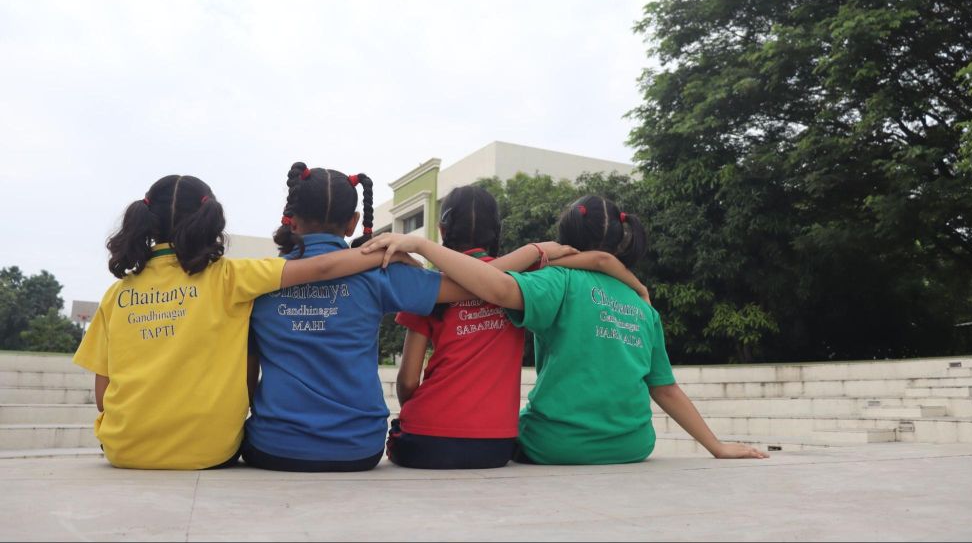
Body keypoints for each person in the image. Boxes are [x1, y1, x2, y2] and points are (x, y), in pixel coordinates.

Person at [243, 166, 648, 472]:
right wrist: (536, 252)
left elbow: (248, 375)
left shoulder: (255, 281)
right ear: (352, 223)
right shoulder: (382, 273)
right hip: (358, 449)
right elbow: (481, 286)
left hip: (274, 448)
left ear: (290, 217)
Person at [363, 195, 770, 465]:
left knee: (496, 430)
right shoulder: (643, 307)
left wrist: (424, 248)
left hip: (556, 445)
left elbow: (499, 286)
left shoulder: (557, 282)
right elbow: (664, 388)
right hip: (633, 446)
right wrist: (715, 446)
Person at [73, 174, 411, 470]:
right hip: (210, 451)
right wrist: (386, 250)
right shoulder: (233, 277)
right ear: (209, 220)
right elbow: (322, 268)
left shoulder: (116, 295)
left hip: (124, 449)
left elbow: (103, 398)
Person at [387, 185, 647, 469]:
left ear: (442, 229)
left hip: (427, 443)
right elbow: (600, 260)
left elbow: (408, 381)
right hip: (495, 447)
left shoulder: (429, 287)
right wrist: (638, 287)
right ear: (498, 230)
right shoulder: (524, 276)